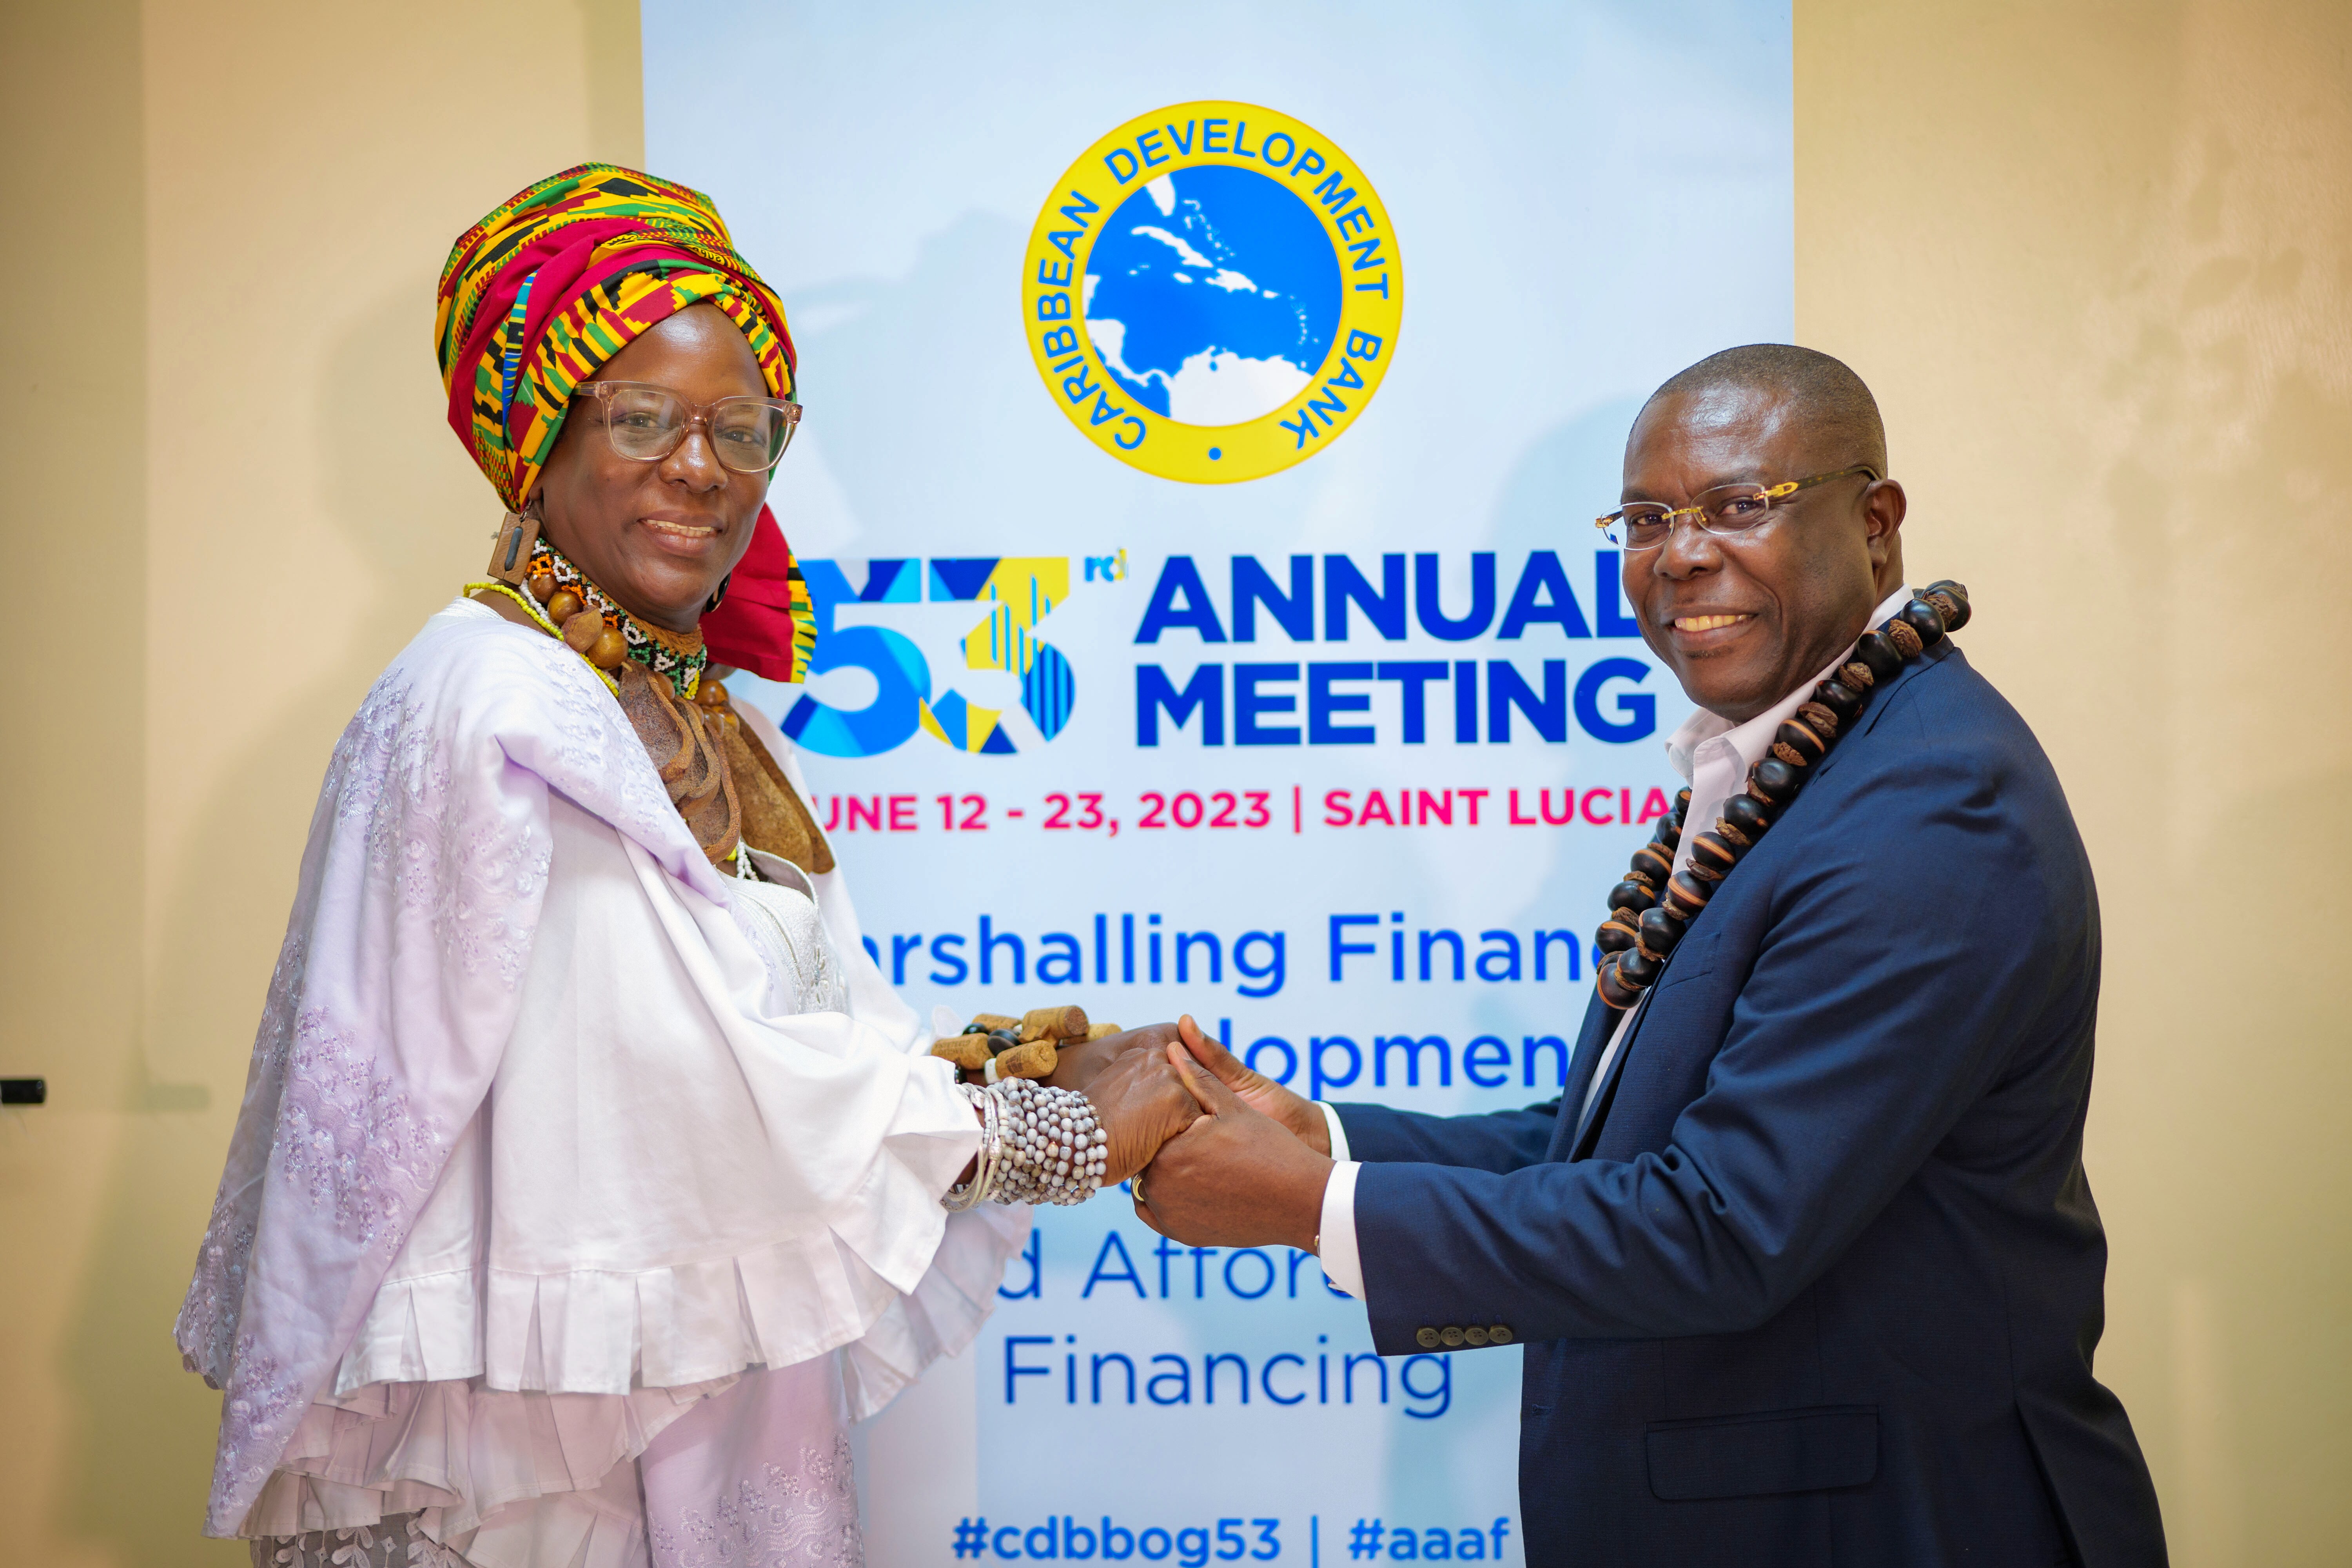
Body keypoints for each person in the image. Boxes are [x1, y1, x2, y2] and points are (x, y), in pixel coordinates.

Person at [174, 165, 1194, 1568]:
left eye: (743, 429)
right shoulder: (492, 701)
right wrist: (1043, 1137)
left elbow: (780, 1019)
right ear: (537, 437)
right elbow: (673, 1076)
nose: (702, 470)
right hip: (528, 1465)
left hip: (667, 1414)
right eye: (643, 419)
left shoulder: (700, 709)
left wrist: (992, 1075)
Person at [1129, 346, 2169, 1567]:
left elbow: (1720, 1226)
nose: (1682, 554)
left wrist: (1315, 1207)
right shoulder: (1797, 761)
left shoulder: (1929, 808)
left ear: (1876, 527)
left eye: (1741, 506)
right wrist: (1327, 1138)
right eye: (1646, 518)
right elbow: (1645, 1146)